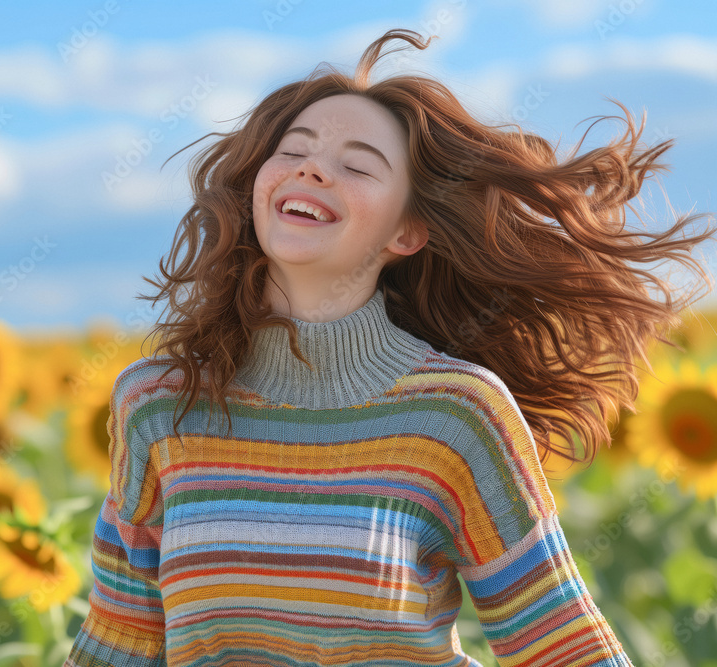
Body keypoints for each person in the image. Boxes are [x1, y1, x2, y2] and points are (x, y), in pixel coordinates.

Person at [65, 29, 715, 666]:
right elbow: (117, 641)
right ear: (258, 186)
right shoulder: (157, 403)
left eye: (356, 165)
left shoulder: (456, 412)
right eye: (293, 151)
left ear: (407, 230)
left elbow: (562, 645)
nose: (313, 167)